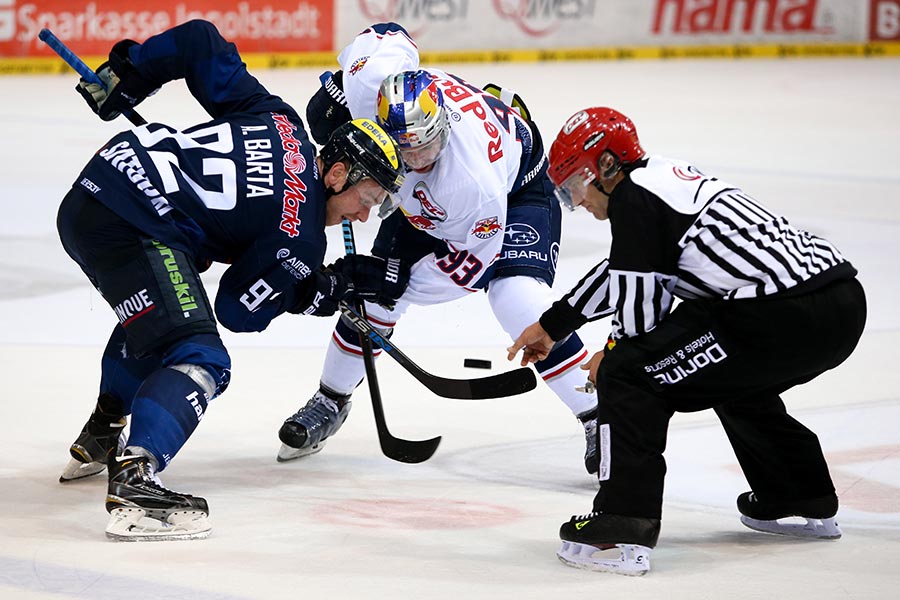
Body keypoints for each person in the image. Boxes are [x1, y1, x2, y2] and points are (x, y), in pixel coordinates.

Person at [56, 19, 409, 541]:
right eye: (369, 198)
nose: (362, 215)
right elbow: (240, 310)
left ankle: (104, 430)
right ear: (337, 174)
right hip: (135, 221)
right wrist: (321, 288)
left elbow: (200, 40)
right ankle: (136, 478)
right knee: (202, 355)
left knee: (164, 315)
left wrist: (132, 74)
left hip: (97, 190)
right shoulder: (301, 237)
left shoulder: (281, 120)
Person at [507, 107, 866, 575]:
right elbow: (624, 270)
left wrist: (612, 354)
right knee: (726, 378)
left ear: (608, 167)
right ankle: (797, 496)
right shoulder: (658, 183)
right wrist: (553, 325)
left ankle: (622, 524)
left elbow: (640, 320)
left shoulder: (635, 201)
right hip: (837, 305)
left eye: (576, 186)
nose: (578, 204)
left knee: (627, 373)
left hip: (779, 314)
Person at [275, 22, 599, 474]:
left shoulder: (471, 184)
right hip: (430, 200)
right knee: (373, 303)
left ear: (443, 121)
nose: (417, 160)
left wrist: (395, 280)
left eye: (426, 148)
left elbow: (467, 269)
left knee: (517, 300)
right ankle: (331, 400)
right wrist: (336, 93)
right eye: (405, 151)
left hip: (518, 191)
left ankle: (598, 416)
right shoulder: (374, 87)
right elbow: (387, 35)